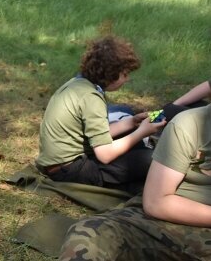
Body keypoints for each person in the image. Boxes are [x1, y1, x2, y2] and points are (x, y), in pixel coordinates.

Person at [59, 69, 211, 260]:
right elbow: (156, 202)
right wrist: (139, 126)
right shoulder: (191, 124)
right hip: (164, 224)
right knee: (89, 235)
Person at [36, 36, 166, 193]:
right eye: (124, 74)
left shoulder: (79, 85)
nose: (127, 79)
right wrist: (141, 132)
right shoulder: (91, 98)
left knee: (130, 132)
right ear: (111, 74)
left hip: (62, 163)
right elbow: (105, 154)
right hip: (71, 170)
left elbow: (98, 134)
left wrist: (132, 122)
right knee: (154, 160)